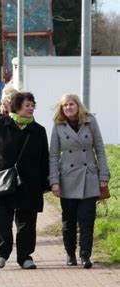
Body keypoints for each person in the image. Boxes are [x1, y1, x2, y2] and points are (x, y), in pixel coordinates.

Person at [0, 92, 49, 270]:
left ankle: (25, 257)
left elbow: (44, 159)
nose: (31, 108)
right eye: (27, 105)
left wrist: (45, 183)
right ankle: (1, 253)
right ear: (16, 107)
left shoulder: (38, 130)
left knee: (27, 223)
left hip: (29, 183)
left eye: (32, 105)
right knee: (1, 220)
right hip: (3, 181)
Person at [49, 93, 110, 268]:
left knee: (87, 219)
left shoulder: (90, 121)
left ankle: (85, 255)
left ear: (78, 105)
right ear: (62, 108)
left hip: (89, 177)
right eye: (65, 105)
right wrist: (54, 181)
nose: (68, 107)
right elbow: (53, 155)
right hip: (67, 179)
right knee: (68, 221)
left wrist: (103, 176)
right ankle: (70, 254)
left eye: (71, 104)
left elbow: (100, 148)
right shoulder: (58, 125)